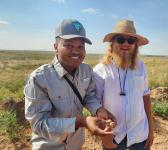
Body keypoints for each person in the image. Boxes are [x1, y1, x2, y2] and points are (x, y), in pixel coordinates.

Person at [24, 19, 115, 150]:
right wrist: (81, 122)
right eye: (69, 45)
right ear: (55, 47)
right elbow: (39, 124)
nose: (76, 51)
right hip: (49, 146)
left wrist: (98, 110)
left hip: (76, 144)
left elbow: (88, 96)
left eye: (80, 46)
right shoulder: (39, 79)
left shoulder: (86, 71)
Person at [93, 19, 154, 150]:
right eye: (120, 40)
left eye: (131, 41)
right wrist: (105, 137)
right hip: (113, 136)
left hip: (139, 134)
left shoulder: (141, 67)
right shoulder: (100, 69)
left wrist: (151, 129)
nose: (126, 44)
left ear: (135, 45)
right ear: (112, 43)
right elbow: (95, 105)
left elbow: (145, 96)